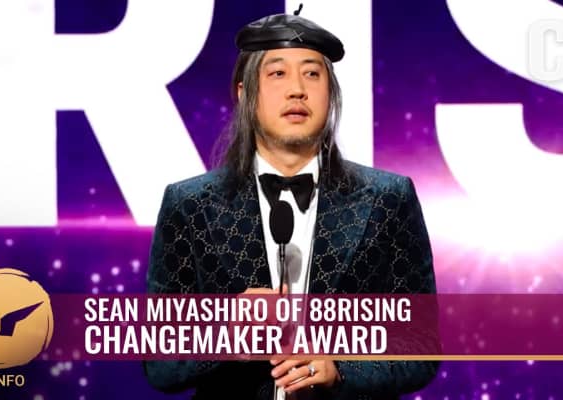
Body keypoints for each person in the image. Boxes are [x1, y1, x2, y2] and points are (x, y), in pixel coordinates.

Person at [144, 8, 438, 400]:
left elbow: (420, 346)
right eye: (278, 73)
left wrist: (341, 370)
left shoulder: (388, 198)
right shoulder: (190, 205)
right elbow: (160, 364)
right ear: (245, 93)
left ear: (331, 94)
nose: (297, 89)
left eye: (312, 74)